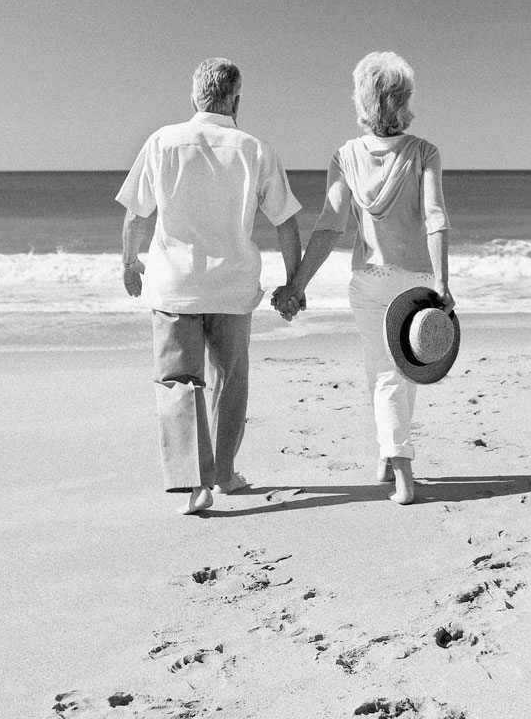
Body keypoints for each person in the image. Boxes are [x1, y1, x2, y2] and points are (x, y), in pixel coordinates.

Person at [118, 57, 302, 514]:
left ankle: (192, 482)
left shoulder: (162, 141)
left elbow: (136, 213)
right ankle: (223, 473)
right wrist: (293, 282)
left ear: (194, 96)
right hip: (232, 286)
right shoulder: (255, 149)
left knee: (178, 380)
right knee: (230, 379)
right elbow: (286, 222)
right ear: (236, 99)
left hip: (174, 285)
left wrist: (129, 262)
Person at [273, 51, 452, 505]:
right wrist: (444, 283)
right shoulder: (423, 152)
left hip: (368, 282)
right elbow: (435, 219)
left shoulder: (345, 155)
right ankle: (403, 470)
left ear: (363, 99)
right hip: (414, 280)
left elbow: (330, 225)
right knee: (400, 371)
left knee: (385, 368)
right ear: (403, 99)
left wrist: (298, 284)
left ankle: (388, 458)